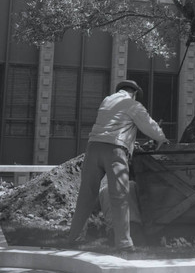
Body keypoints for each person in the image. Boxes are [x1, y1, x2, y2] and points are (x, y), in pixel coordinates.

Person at [68, 79, 168, 253]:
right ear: (135, 93)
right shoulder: (133, 104)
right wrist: (162, 138)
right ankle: (124, 243)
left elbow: (114, 125)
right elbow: (149, 127)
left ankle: (73, 238)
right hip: (115, 151)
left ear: (119, 90)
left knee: (86, 195)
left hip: (93, 149)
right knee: (119, 197)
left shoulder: (107, 100)